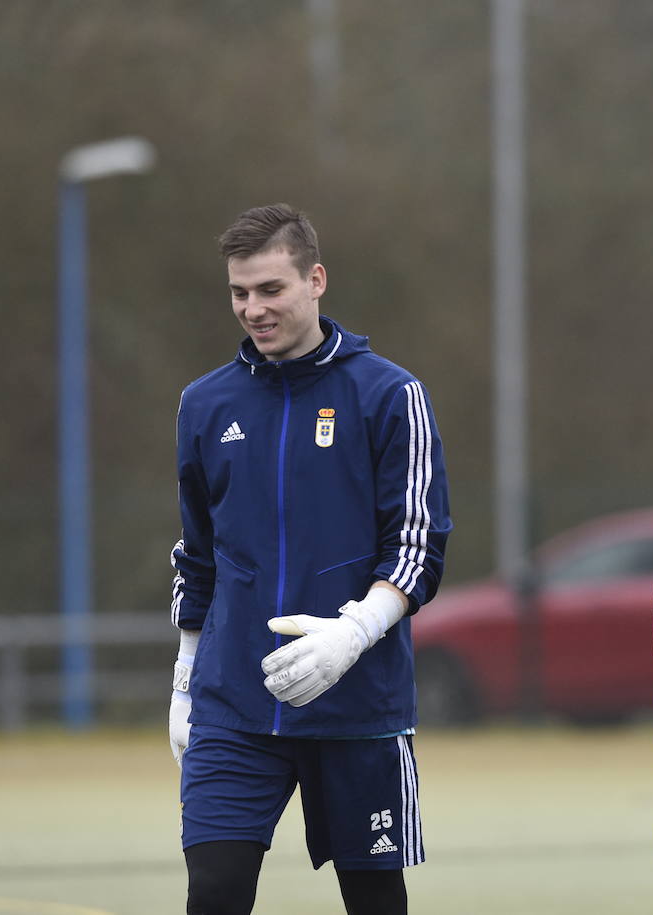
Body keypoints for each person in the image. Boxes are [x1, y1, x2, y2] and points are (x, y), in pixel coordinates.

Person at [167, 203, 452, 915]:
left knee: (375, 898)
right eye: (239, 292)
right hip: (233, 704)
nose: (253, 309)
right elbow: (197, 554)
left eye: (271, 289)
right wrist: (184, 672)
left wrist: (353, 632)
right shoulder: (204, 405)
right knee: (215, 890)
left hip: (358, 707)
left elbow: (418, 547)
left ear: (315, 279)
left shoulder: (390, 394)